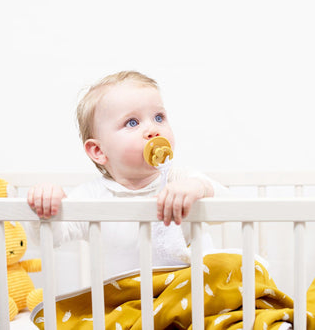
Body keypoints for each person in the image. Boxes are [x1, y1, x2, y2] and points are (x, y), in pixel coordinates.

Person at [26, 70, 227, 278]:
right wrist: (45, 206)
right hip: (130, 301)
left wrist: (198, 188)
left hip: (189, 296)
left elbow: (230, 205)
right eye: (132, 122)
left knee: (235, 267)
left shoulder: (181, 180)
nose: (152, 129)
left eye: (159, 117)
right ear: (99, 151)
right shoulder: (92, 197)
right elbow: (50, 238)